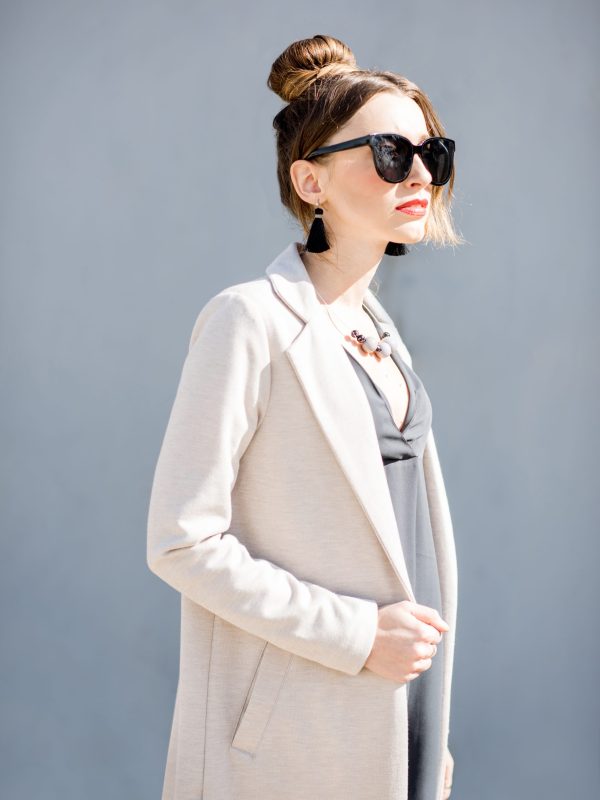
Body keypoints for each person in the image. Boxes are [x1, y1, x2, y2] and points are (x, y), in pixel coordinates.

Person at [147, 33, 463, 800]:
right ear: (309, 180)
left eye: (434, 153)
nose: (419, 173)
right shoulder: (248, 320)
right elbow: (181, 542)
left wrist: (432, 733)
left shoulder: (381, 336)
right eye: (391, 152)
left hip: (401, 715)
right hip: (299, 733)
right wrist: (358, 638)